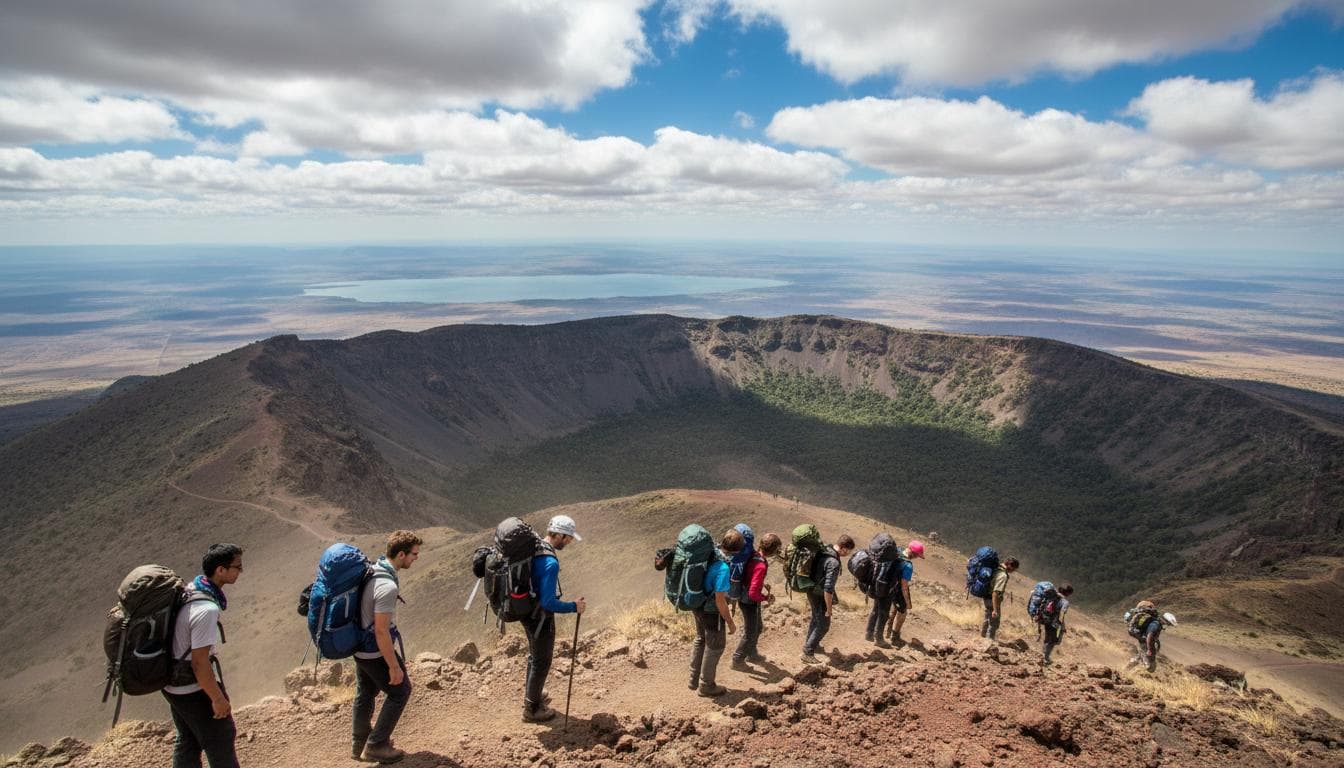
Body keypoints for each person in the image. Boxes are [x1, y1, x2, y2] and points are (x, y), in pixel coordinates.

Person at [162, 543, 244, 768]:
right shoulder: (207, 610)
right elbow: (199, 663)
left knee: (188, 739)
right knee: (221, 738)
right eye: (237, 567)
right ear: (220, 570)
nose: (240, 571)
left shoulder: (191, 588)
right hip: (192, 688)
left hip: (172, 683)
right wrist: (217, 698)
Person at [352, 530, 422, 764]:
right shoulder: (387, 586)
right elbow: (381, 631)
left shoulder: (374, 569)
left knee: (366, 692)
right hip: (374, 650)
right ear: (401, 554)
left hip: (359, 647)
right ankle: (376, 745)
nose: (416, 558)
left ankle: (359, 744)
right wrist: (393, 666)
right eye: (414, 554)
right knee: (401, 690)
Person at [521, 514, 586, 722]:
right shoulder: (550, 562)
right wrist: (573, 607)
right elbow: (548, 601)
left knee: (535, 656)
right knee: (542, 661)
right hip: (540, 617)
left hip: (526, 611)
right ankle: (531, 710)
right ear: (557, 534)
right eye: (567, 537)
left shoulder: (536, 547)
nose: (568, 541)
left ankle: (533, 695)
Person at [690, 529, 742, 696]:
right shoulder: (724, 568)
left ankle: (694, 678)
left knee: (700, 639)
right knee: (716, 647)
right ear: (737, 550)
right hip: (711, 612)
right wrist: (730, 622)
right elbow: (720, 600)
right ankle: (706, 685)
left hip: (697, 604)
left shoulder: (711, 553)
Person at [801, 534, 855, 664]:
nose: (847, 554)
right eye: (848, 551)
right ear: (843, 548)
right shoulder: (834, 562)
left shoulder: (825, 549)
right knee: (824, 625)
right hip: (819, 594)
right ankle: (808, 652)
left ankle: (813, 643)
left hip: (810, 588)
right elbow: (828, 589)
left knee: (816, 618)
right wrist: (829, 609)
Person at [731, 532, 780, 668]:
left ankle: (752, 653)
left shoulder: (754, 555)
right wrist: (766, 598)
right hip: (749, 602)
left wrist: (762, 584)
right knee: (750, 632)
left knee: (758, 628)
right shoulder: (761, 565)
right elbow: (753, 593)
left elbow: (749, 575)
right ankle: (737, 660)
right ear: (774, 550)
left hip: (744, 597)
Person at [887, 540, 925, 645]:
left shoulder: (897, 551)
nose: (917, 557)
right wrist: (907, 602)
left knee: (893, 608)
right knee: (902, 612)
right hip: (898, 590)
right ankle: (895, 636)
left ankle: (887, 632)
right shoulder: (908, 566)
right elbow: (904, 586)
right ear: (913, 553)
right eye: (917, 555)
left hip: (887, 586)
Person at [1127, 600, 1177, 672]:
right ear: (1166, 621)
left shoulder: (1155, 621)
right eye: (1168, 624)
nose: (1167, 625)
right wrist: (1150, 650)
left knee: (1142, 653)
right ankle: (1142, 670)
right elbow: (1150, 636)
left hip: (1139, 633)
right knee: (1148, 661)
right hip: (1141, 635)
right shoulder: (1156, 624)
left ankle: (1128, 667)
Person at [981, 556, 1019, 640]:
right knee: (994, 623)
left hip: (986, 597)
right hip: (992, 600)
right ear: (1009, 565)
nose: (1013, 571)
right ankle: (988, 641)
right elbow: (995, 593)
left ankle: (982, 638)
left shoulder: (996, 569)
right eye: (1014, 569)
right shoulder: (1003, 575)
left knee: (987, 618)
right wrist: (995, 609)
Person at [1040, 583, 1074, 666]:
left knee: (1047, 638)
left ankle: (1043, 655)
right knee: (1052, 641)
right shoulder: (1065, 602)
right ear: (1068, 593)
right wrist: (1062, 626)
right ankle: (1045, 657)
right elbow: (1062, 614)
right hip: (1055, 623)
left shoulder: (1052, 597)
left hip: (1046, 619)